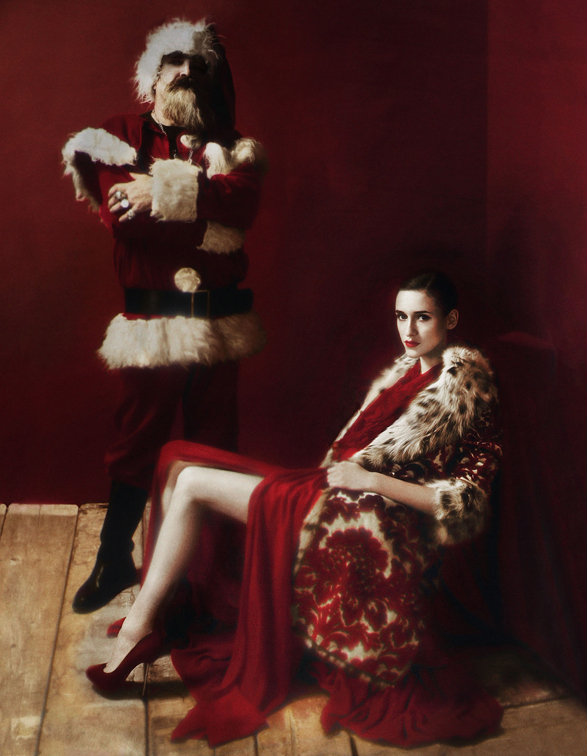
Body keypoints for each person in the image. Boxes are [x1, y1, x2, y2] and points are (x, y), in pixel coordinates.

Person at [86, 270, 503, 748]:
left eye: (422, 318)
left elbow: (466, 501)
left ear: (450, 320)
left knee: (193, 484)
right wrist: (352, 476)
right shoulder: (405, 373)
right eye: (401, 317)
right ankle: (165, 605)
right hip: (331, 493)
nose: (408, 330)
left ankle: (138, 629)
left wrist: (372, 481)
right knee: (177, 459)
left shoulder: (466, 392)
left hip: (371, 524)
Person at [62, 19, 268, 613]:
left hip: (220, 325)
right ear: (152, 76)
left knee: (216, 447)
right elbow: (123, 220)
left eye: (198, 65)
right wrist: (205, 213)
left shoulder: (234, 145)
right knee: (136, 443)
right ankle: (113, 559)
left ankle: (211, 574)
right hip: (152, 325)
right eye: (174, 61)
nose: (186, 72)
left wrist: (160, 192)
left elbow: (244, 205)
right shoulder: (113, 137)